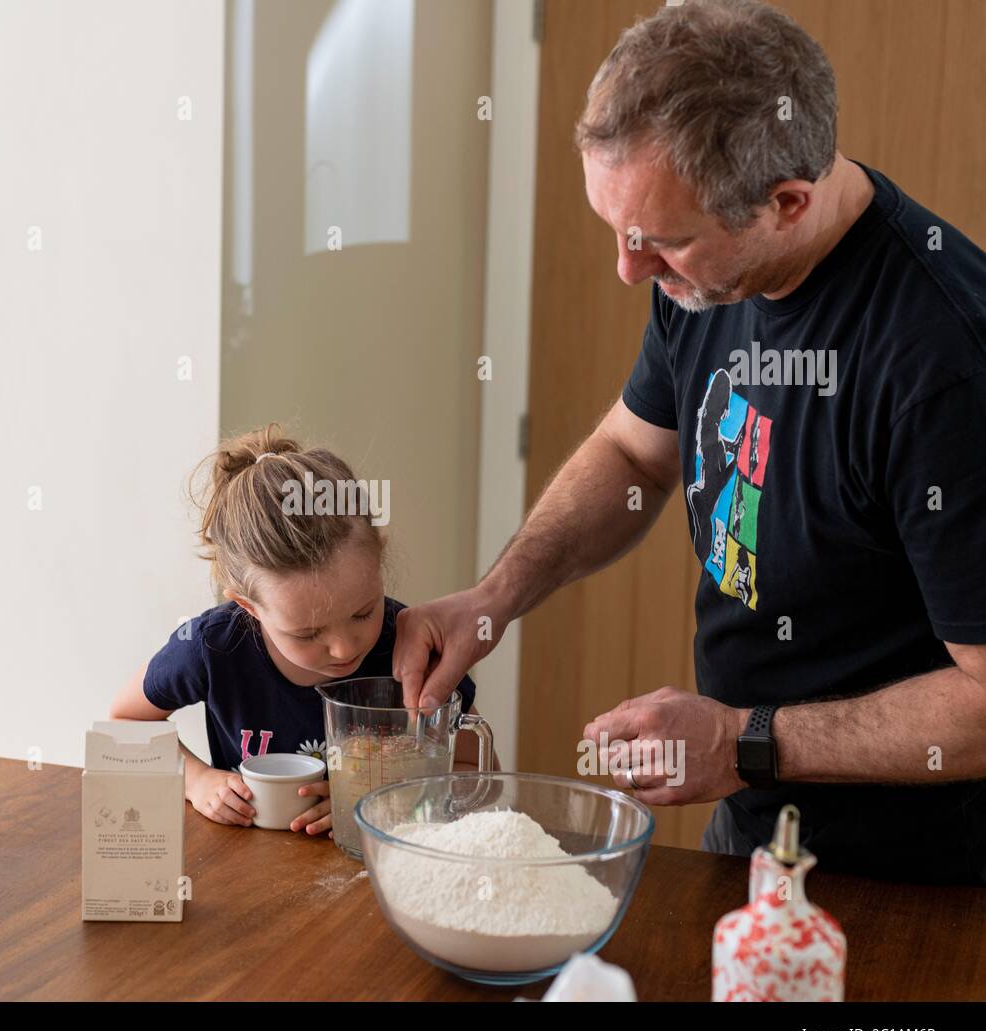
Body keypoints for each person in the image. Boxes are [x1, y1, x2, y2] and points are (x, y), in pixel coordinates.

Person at [392, 0, 986, 882]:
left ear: (787, 202)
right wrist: (496, 597)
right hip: (755, 821)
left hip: (922, 881)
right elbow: (634, 456)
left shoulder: (942, 362)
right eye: (620, 233)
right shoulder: (699, 274)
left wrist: (743, 740)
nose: (629, 270)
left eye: (659, 244)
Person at [110, 424, 479, 835]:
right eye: (307, 634)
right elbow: (126, 722)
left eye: (362, 613)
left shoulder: (411, 648)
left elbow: (476, 770)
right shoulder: (211, 647)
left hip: (374, 872)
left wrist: (379, 797)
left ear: (379, 560)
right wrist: (196, 781)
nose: (342, 648)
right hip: (246, 874)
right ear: (248, 607)